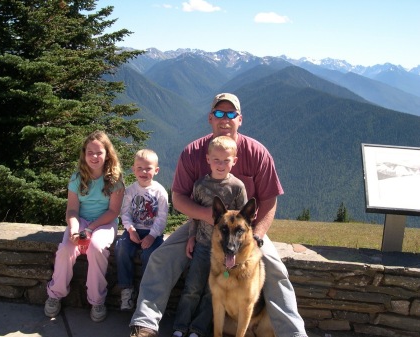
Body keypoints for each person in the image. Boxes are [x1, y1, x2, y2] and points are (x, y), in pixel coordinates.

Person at [129, 93, 308, 337]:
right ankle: (145, 324)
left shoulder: (258, 153)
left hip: (245, 233)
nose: (225, 119)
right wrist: (205, 216)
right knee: (162, 258)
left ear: (240, 119)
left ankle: (294, 333)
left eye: (231, 114)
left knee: (276, 270)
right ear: (210, 118)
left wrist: (257, 235)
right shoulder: (193, 152)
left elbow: (269, 200)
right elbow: (179, 198)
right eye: (220, 114)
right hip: (201, 226)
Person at [44, 130, 125, 323]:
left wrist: (90, 229)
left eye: (99, 152)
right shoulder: (76, 178)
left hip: (104, 223)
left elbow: (113, 212)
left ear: (107, 154)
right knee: (65, 249)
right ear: (84, 154)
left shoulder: (115, 180)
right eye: (90, 152)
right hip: (80, 221)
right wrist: (74, 229)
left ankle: (97, 300)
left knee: (96, 248)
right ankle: (55, 294)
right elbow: (72, 210)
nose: (94, 157)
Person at [172, 136, 247, 337]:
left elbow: (243, 222)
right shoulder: (199, 186)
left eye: (226, 160)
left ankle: (198, 328)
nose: (221, 165)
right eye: (216, 160)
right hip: (203, 246)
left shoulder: (237, 188)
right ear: (208, 159)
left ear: (234, 161)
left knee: (212, 292)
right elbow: (194, 217)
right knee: (192, 287)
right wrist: (191, 238)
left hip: (225, 251)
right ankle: (180, 325)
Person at [115, 149, 168, 311]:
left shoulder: (160, 192)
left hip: (153, 233)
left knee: (150, 254)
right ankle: (127, 289)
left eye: (148, 168)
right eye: (139, 168)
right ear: (133, 169)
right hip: (134, 230)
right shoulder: (130, 190)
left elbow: (161, 218)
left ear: (156, 170)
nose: (143, 172)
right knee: (121, 248)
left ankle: (145, 291)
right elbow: (125, 213)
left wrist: (152, 236)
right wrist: (130, 230)